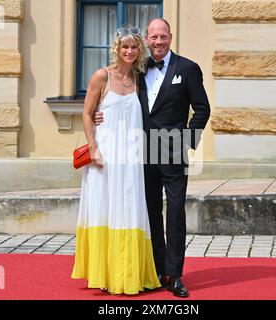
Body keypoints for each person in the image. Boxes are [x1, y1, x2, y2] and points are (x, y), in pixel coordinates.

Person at [95, 18, 211, 298]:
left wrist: (186, 140)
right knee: (149, 213)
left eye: (163, 37)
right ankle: (158, 270)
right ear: (146, 39)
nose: (158, 42)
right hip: (140, 151)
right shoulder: (138, 69)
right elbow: (119, 98)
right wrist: (101, 115)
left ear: (170, 37)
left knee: (174, 213)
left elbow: (202, 109)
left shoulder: (188, 68)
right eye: (153, 37)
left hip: (172, 151)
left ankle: (176, 274)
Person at [71, 26, 161, 295]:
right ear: (117, 49)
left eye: (134, 47)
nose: (130, 51)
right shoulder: (102, 76)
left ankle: (130, 274)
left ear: (140, 50)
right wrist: (93, 147)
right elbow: (87, 114)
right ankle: (106, 274)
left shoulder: (140, 79)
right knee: (105, 208)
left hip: (133, 158)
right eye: (125, 47)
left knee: (131, 210)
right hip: (105, 156)